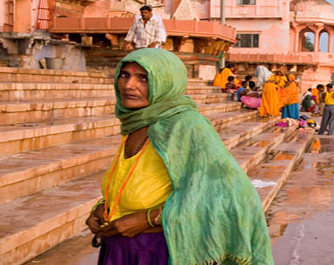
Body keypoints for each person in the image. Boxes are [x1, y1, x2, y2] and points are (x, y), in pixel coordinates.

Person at [85, 49, 273, 264]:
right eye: (125, 75)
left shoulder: (185, 125)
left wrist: (149, 219)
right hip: (119, 248)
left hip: (159, 249)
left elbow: (228, 195)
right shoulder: (136, 121)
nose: (129, 85)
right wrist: (103, 207)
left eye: (144, 78)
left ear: (167, 82)